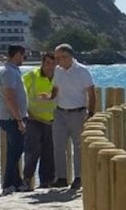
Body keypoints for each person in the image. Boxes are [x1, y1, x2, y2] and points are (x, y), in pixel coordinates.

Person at [50, 43, 97, 191]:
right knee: (58, 147)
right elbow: (56, 88)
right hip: (60, 113)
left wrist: (90, 113)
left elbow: (91, 93)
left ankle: (78, 178)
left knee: (78, 147)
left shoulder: (82, 71)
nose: (57, 61)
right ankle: (62, 178)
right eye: (56, 58)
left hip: (77, 113)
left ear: (68, 56)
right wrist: (50, 96)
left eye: (59, 58)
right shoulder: (58, 71)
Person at [0, 44, 29, 194]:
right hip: (11, 118)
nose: (24, 59)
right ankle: (8, 183)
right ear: (17, 55)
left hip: (14, 117)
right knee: (16, 151)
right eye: (23, 56)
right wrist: (19, 120)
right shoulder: (9, 72)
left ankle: (16, 182)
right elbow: (10, 97)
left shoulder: (12, 71)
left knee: (14, 150)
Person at [22, 51, 57, 188]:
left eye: (53, 63)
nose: (50, 66)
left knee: (49, 153)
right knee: (32, 151)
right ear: (42, 63)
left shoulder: (59, 77)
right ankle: (27, 180)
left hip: (52, 121)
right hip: (34, 120)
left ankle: (46, 182)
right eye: (47, 63)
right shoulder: (32, 75)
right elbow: (20, 92)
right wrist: (25, 111)